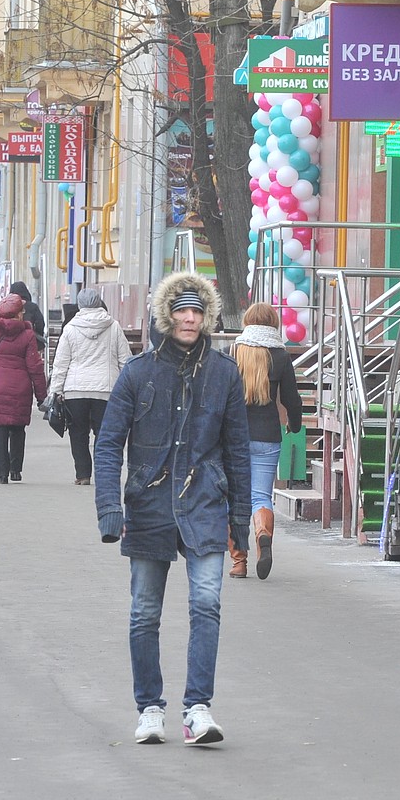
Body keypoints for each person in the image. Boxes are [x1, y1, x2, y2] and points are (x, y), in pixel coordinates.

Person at [95, 271, 250, 747]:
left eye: (197, 311)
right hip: (148, 504)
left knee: (207, 605)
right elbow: (108, 446)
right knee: (145, 612)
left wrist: (240, 523)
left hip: (205, 502)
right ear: (167, 315)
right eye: (181, 310)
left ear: (207, 317)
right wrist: (109, 511)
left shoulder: (224, 373)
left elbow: (238, 451)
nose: (189, 318)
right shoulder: (138, 373)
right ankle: (149, 709)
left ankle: (198, 709)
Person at [229, 303, 302, 580]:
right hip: (268, 435)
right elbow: (292, 400)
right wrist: (294, 425)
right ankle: (262, 535)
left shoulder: (234, 352)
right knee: (261, 495)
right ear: (273, 323)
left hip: (234, 436)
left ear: (247, 321)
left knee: (234, 499)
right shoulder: (281, 356)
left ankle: (238, 563)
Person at [48, 287, 131, 485]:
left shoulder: (70, 328)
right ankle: (105, 475)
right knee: (104, 435)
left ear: (80, 305)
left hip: (75, 390)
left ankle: (83, 475)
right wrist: (128, 389)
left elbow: (61, 363)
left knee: (78, 433)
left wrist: (56, 390)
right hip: (106, 390)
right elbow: (126, 360)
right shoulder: (114, 326)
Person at [0, 293, 47, 484]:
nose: (24, 312)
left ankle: (1, 474)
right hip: (19, 388)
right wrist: (41, 395)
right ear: (17, 314)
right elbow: (35, 367)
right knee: (17, 429)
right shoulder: (28, 335)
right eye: (21, 310)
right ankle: (15, 470)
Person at [7, 281, 46, 352]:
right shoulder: (33, 306)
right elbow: (40, 323)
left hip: (10, 341)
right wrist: (37, 334)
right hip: (29, 341)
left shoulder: (8, 306)